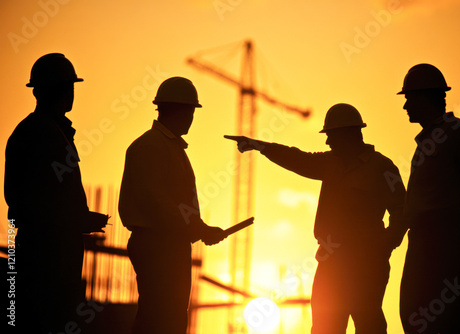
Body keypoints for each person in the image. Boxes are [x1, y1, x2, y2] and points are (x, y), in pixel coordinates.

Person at [225, 103, 406, 334]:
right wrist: (260, 146)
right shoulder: (330, 164)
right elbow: (297, 158)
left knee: (368, 324)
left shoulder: (383, 168)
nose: (327, 142)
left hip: (366, 264)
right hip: (331, 261)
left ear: (348, 134)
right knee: (325, 328)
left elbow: (401, 211)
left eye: (331, 136)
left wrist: (384, 246)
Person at [4, 53, 108, 333]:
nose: (72, 93)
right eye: (69, 86)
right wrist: (77, 219)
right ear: (60, 90)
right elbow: (35, 203)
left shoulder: (47, 131)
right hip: (47, 261)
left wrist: (77, 218)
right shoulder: (41, 134)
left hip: (52, 257)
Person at [118, 76, 227, 334]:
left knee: (171, 317)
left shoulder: (170, 148)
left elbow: (171, 204)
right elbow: (158, 203)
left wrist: (198, 229)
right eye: (190, 111)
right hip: (158, 245)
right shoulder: (150, 147)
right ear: (180, 110)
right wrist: (198, 228)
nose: (191, 118)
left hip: (171, 244)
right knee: (159, 318)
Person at [398, 63, 460, 334]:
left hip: (445, 241)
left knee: (447, 317)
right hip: (422, 240)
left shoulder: (458, 134)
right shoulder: (426, 142)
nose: (405, 107)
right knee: (414, 315)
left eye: (409, 99)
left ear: (425, 97)